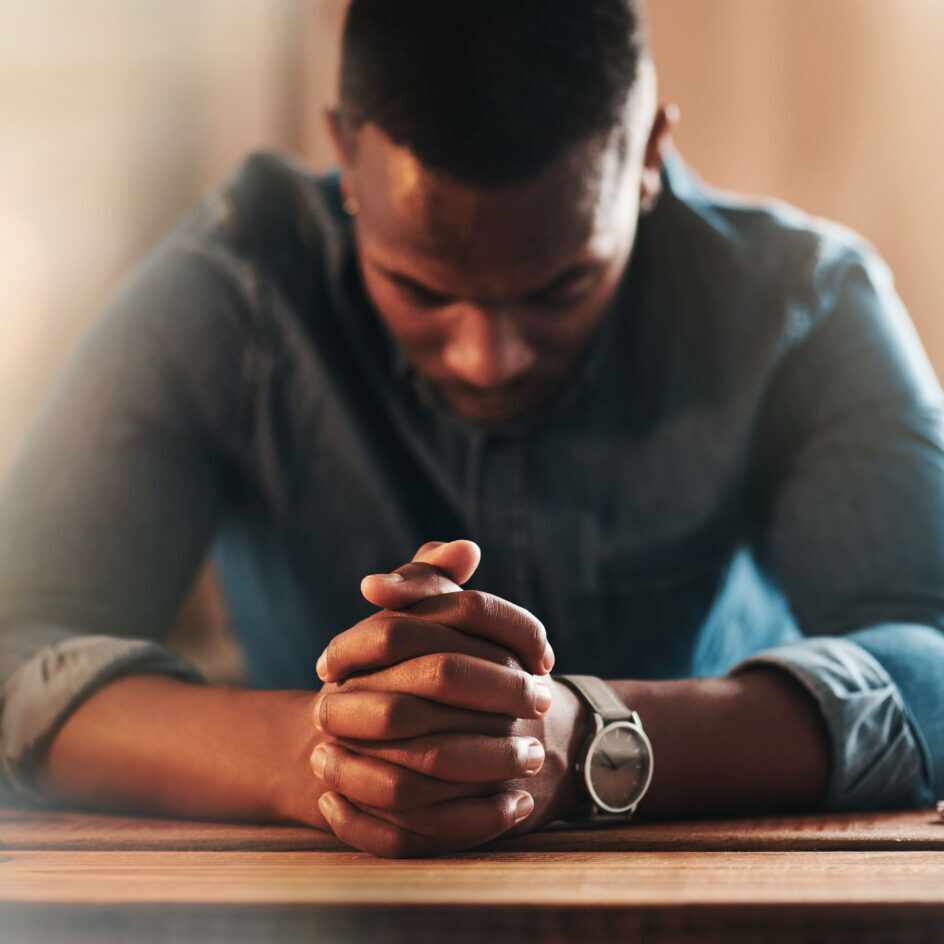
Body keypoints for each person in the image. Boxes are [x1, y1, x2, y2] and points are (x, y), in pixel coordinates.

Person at [1, 0, 942, 859]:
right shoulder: (231, 296)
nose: (487, 357)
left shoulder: (806, 307)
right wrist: (318, 756)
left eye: (562, 285)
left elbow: (932, 653)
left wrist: (584, 741)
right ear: (345, 154)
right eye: (418, 287)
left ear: (648, 153)